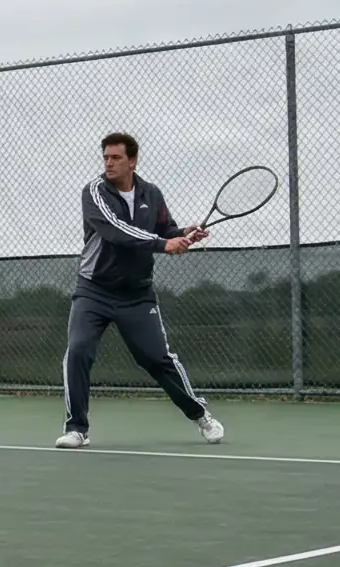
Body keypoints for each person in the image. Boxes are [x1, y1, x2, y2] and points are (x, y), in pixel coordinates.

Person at [57, 131, 224, 449]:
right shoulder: (94, 192)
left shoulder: (152, 194)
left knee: (157, 359)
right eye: (105, 157)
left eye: (116, 157)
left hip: (136, 295)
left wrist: (183, 233)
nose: (108, 163)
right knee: (78, 352)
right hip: (93, 291)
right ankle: (77, 428)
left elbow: (165, 229)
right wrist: (165, 244)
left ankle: (200, 415)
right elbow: (117, 231)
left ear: (132, 161)